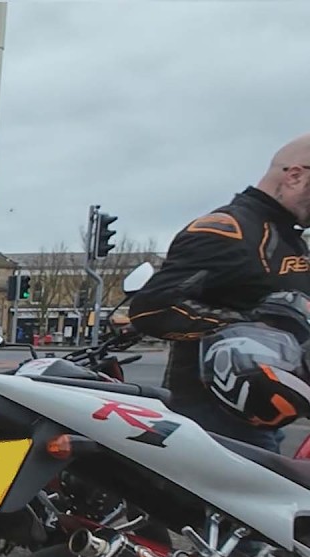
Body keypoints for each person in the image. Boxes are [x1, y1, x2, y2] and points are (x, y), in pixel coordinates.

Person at [130, 132, 310, 453]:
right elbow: (152, 309)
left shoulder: (290, 238)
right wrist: (249, 331)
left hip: (268, 413)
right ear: (296, 175)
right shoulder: (226, 229)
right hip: (212, 417)